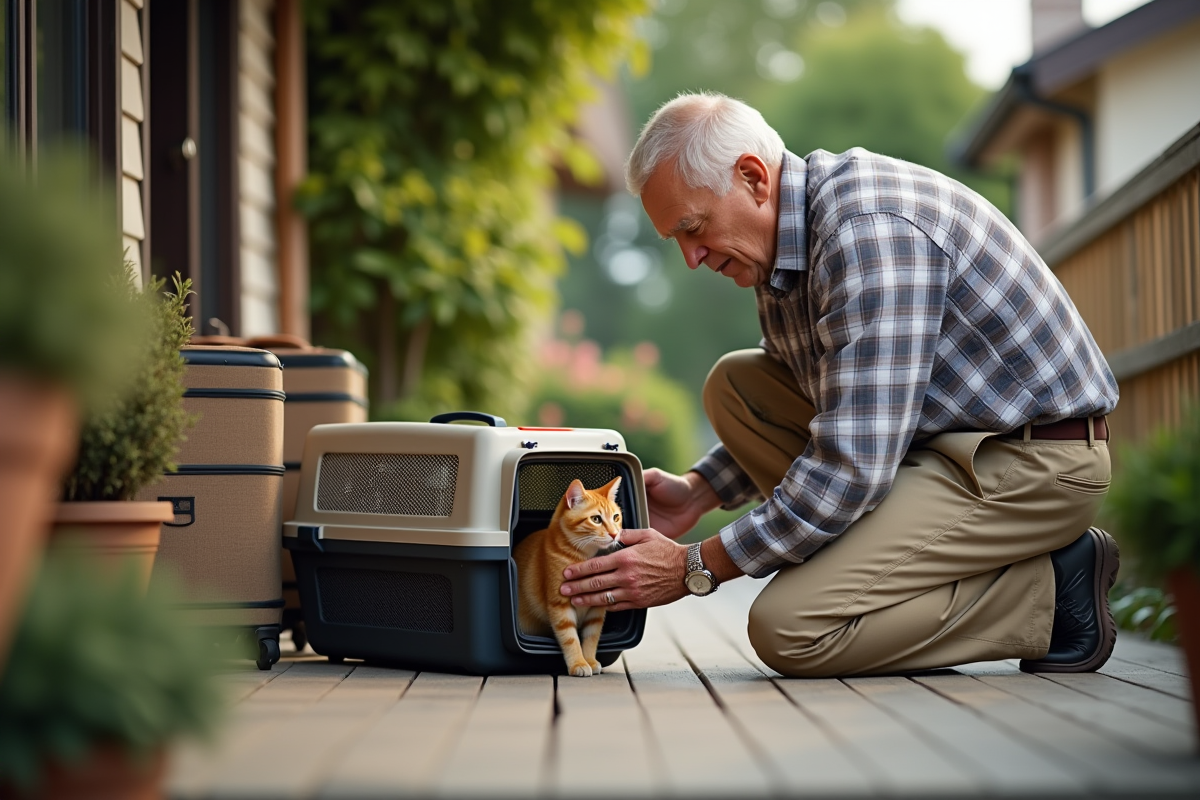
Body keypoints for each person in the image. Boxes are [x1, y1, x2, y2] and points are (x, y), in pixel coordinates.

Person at [558, 91, 1121, 677]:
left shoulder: (867, 231)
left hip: (1034, 463)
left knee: (792, 628)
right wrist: (701, 491)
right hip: (934, 452)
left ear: (753, 178)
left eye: (694, 228)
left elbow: (852, 464)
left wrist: (695, 566)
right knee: (738, 385)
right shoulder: (781, 251)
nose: (692, 258)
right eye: (675, 239)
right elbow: (832, 407)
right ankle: (919, 575)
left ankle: (1052, 591)